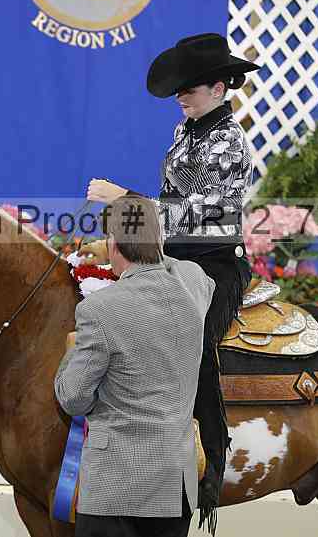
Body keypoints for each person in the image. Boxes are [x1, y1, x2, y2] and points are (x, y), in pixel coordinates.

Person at [85, 33, 258, 531]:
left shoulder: (229, 142)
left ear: (219, 88)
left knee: (195, 344)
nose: (181, 95)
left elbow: (202, 215)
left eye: (190, 87)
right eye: (180, 88)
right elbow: (172, 205)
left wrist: (126, 197)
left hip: (215, 264)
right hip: (176, 259)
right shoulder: (188, 130)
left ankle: (209, 462)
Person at [55, 195, 215, 537]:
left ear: (112, 243)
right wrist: (148, 245)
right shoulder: (195, 283)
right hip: (176, 486)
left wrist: (72, 349)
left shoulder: (98, 309)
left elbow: (73, 398)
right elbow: (174, 265)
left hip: (116, 488)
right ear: (159, 240)